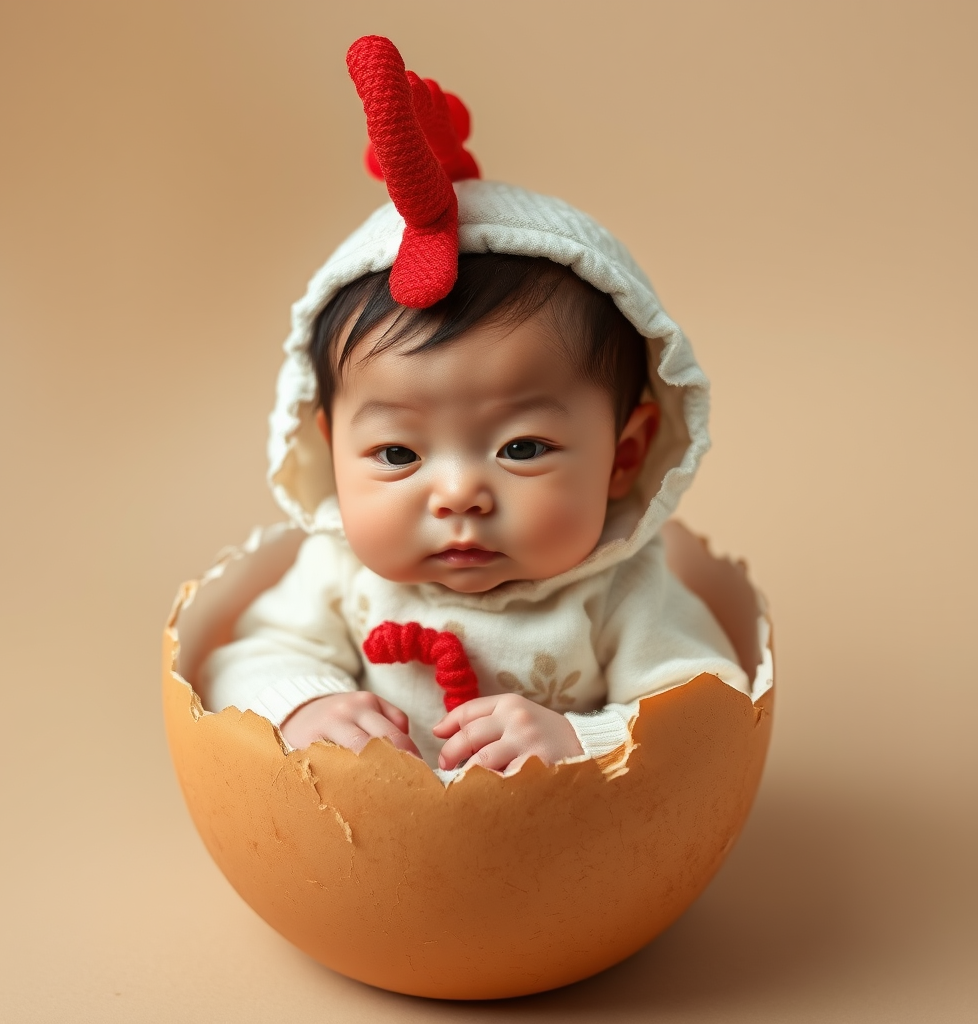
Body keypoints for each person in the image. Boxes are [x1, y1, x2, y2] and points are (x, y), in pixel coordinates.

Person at [198, 37, 749, 778]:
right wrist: (307, 705)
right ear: (331, 450)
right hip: (375, 870)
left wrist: (579, 740)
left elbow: (706, 709)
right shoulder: (338, 575)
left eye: (521, 448)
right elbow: (242, 662)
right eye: (398, 454)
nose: (458, 494)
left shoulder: (622, 590)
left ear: (623, 456)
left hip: (562, 868)